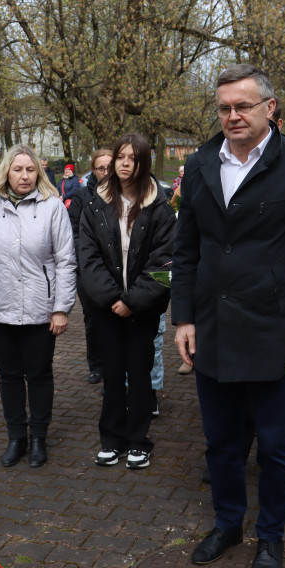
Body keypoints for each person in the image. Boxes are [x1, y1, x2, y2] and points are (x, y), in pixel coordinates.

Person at [171, 64, 285, 568]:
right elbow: (188, 247)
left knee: (275, 446)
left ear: (269, 108)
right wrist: (184, 318)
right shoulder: (200, 163)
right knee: (220, 442)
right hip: (214, 329)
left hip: (274, 333)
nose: (232, 116)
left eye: (242, 106)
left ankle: (271, 535)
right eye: (224, 108)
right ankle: (226, 524)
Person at [0, 145, 76, 469]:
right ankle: (17, 437)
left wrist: (61, 308)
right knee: (9, 375)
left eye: (30, 170)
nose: (24, 175)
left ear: (38, 173)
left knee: (39, 375)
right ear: (6, 173)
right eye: (18, 169)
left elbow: (66, 261)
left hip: (41, 310)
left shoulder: (53, 206)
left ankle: (39, 437)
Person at [80, 133, 176, 470]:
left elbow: (165, 265)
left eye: (132, 158)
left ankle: (138, 441)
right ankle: (111, 439)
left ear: (143, 162)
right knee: (111, 374)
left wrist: (132, 301)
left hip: (142, 311)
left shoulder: (160, 207)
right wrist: (110, 299)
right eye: (120, 156)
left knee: (138, 374)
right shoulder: (95, 204)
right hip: (105, 309)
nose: (124, 163)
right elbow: (87, 258)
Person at [68, 148, 112, 385]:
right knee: (93, 319)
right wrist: (86, 260)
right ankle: (97, 366)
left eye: (109, 167)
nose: (106, 172)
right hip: (88, 270)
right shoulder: (82, 196)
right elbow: (73, 233)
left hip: (117, 270)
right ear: (93, 170)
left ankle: (115, 368)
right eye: (101, 168)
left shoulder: (125, 193)